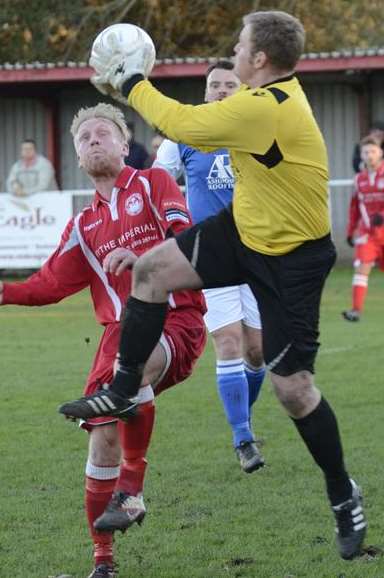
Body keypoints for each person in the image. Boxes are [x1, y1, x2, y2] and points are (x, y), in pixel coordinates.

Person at [61, 10, 367, 560]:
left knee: (293, 391)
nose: (235, 48)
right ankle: (124, 385)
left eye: (241, 43)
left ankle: (343, 493)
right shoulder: (261, 97)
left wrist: (131, 80)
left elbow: (183, 124)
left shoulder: (267, 105)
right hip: (245, 230)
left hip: (291, 259)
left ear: (260, 59)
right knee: (152, 272)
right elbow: (185, 134)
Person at [0, 103, 206, 578]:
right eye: (84, 137)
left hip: (175, 318)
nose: (93, 140)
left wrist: (145, 258)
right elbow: (48, 284)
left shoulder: (154, 183)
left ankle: (132, 491)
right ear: (77, 155)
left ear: (123, 142)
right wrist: (6, 292)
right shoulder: (82, 225)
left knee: (130, 369)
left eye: (102, 133)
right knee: (102, 444)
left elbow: (188, 237)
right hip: (116, 335)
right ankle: (103, 561)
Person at [154, 60, 265, 473]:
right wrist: (171, 224)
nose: (221, 90)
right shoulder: (183, 135)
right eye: (214, 85)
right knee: (230, 343)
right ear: (205, 92)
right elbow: (158, 182)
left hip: (257, 252)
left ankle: (243, 418)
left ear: (241, 90)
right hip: (210, 254)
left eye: (228, 85)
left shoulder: (256, 132)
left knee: (257, 351)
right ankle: (243, 439)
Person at [343, 135, 384, 321]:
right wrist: (350, 230)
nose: (369, 155)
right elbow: (354, 207)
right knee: (362, 269)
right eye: (366, 152)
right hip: (367, 235)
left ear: (380, 153)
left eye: (373, 151)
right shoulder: (359, 179)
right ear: (361, 155)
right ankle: (355, 310)